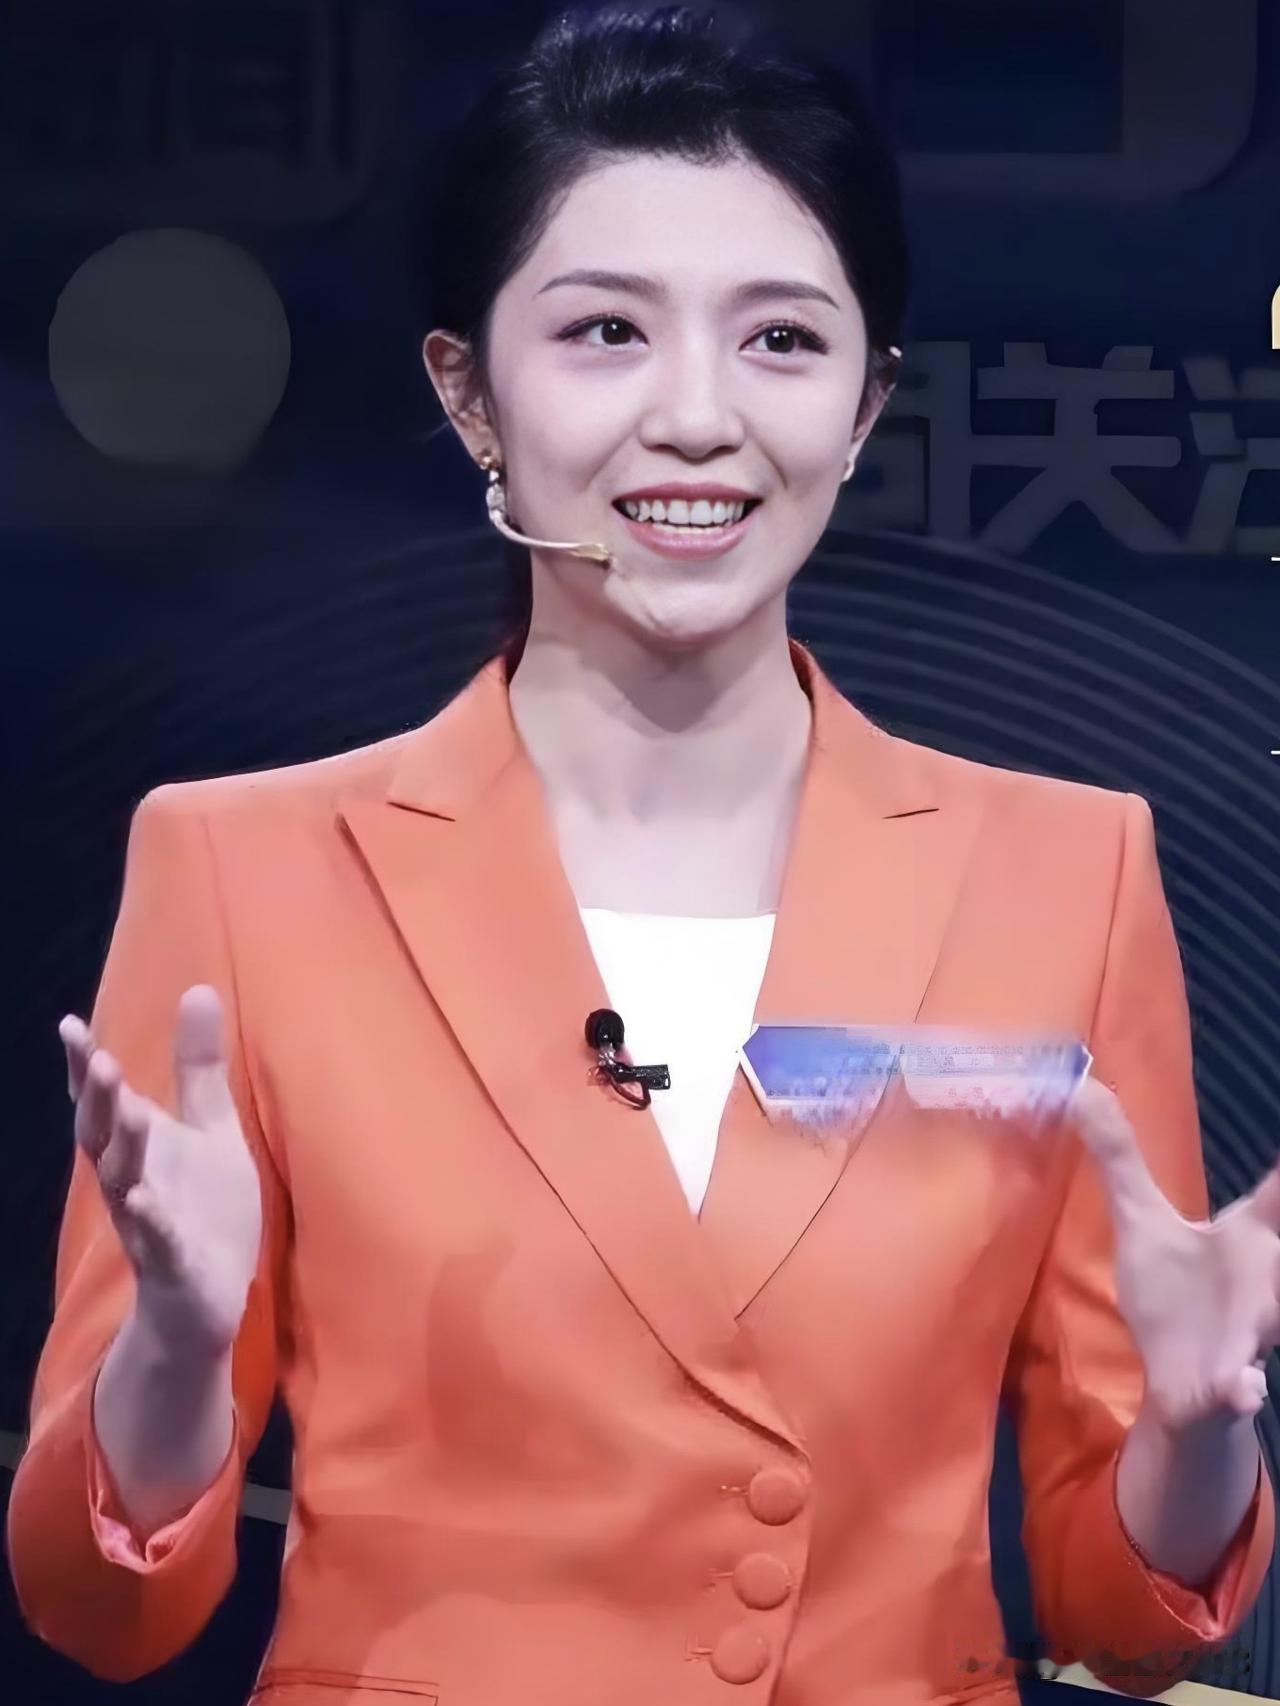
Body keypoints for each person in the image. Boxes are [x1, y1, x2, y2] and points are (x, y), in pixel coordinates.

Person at [7, 7, 1277, 1703]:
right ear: (470, 390)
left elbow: (1122, 1620)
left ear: (867, 401)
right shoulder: (242, 871)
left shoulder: (1070, 877)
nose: (696, 416)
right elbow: (98, 1609)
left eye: (781, 340)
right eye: (606, 330)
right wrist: (173, 1345)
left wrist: (1194, 1432)